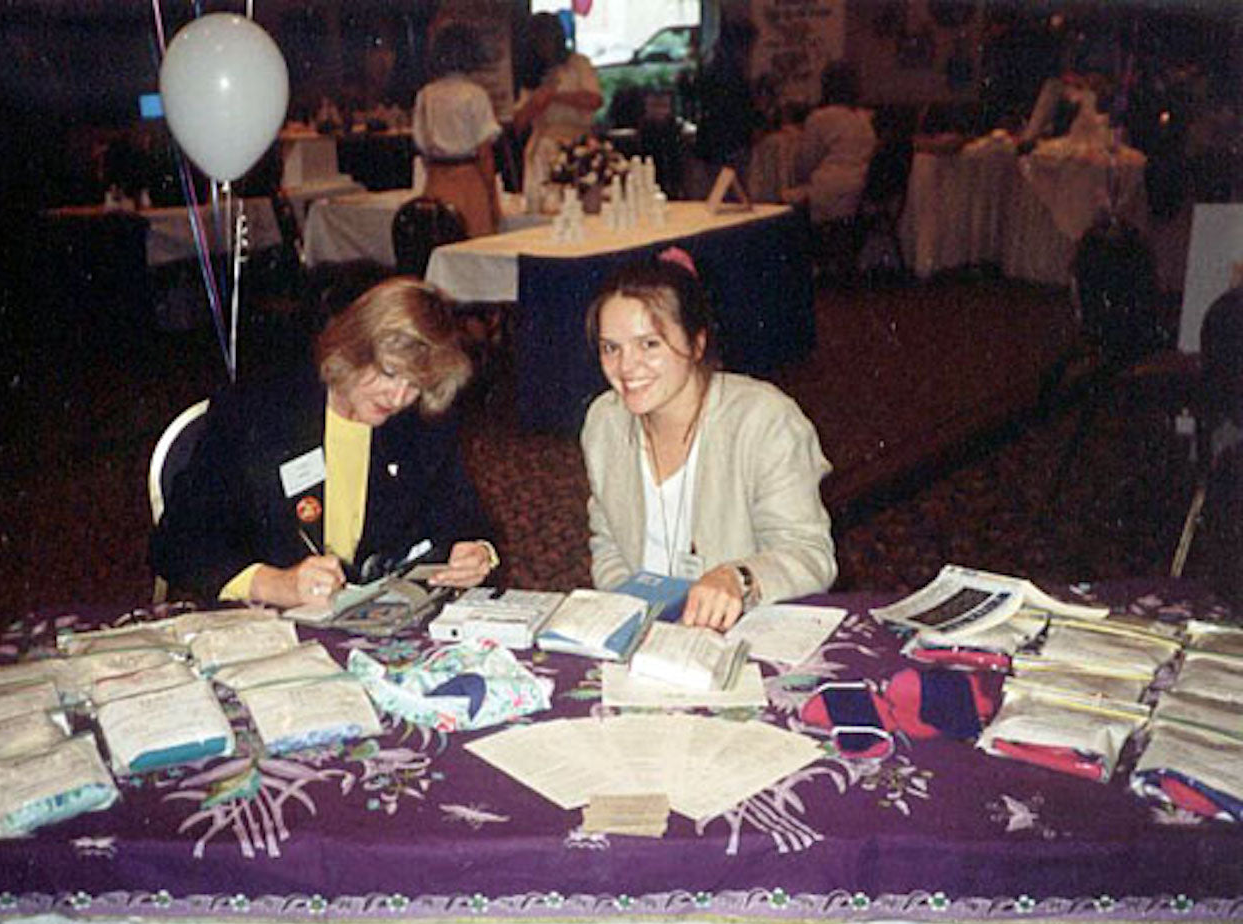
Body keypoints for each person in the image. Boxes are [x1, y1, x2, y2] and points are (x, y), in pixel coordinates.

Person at [150, 277, 499, 609]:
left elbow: (464, 517)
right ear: (353, 350)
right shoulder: (258, 411)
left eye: (416, 385)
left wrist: (477, 551)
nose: (398, 397)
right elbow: (178, 542)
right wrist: (276, 584)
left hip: (377, 626)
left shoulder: (420, 425)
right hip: (265, 623)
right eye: (390, 373)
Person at [580, 249, 837, 630]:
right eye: (610, 348)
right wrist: (631, 615)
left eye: (649, 344)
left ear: (697, 344)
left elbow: (810, 556)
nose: (626, 367)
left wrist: (739, 578)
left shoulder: (763, 420)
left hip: (747, 631)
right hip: (649, 636)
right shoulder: (605, 422)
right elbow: (608, 542)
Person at [412, 22, 503, 237]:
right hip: (468, 183)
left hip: (435, 182)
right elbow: (484, 153)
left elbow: (422, 145)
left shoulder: (425, 95)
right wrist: (492, 196)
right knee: (474, 246)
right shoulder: (474, 95)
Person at [513, 12, 602, 213]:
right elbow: (518, 122)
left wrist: (556, 96)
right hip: (544, 142)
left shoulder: (578, 64)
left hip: (577, 142)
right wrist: (537, 101)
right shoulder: (533, 73)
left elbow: (595, 100)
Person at [783, 61, 877, 222]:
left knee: (780, 201)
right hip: (862, 191)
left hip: (829, 191)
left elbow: (806, 163)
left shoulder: (820, 118)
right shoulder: (865, 119)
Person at [692, 16, 760, 193]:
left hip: (710, 144)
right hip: (730, 145)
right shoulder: (734, 76)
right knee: (733, 194)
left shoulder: (711, 69)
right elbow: (741, 111)